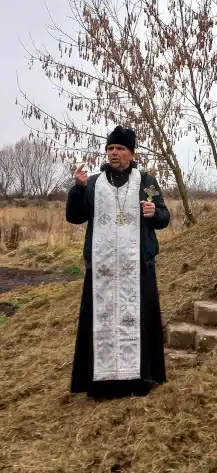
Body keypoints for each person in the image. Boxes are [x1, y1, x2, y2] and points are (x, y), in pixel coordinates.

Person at [66, 126, 171, 400]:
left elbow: (164, 217)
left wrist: (154, 212)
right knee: (99, 322)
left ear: (132, 153)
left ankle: (140, 379)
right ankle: (101, 384)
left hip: (138, 267)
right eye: (110, 149)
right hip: (102, 269)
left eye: (120, 149)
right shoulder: (92, 183)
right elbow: (75, 217)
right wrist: (76, 189)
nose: (114, 153)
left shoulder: (146, 181)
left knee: (140, 320)